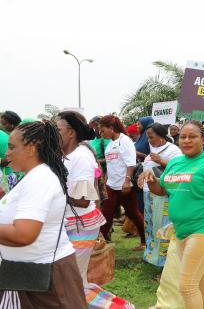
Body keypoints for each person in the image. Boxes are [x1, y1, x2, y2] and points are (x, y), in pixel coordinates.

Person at [140, 121, 204, 309]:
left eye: (192, 136)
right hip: (182, 230)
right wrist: (151, 179)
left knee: (187, 286)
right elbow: (163, 189)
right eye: (183, 137)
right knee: (199, 283)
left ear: (203, 139)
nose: (186, 140)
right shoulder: (176, 162)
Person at [0, 121, 87, 308]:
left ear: (31, 148)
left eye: (12, 147)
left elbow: (24, 234)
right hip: (28, 274)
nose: (7, 153)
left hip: (47, 278)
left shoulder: (40, 180)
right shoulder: (32, 177)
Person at [56, 112, 107, 287]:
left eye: (58, 129)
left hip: (81, 225)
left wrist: (52, 194)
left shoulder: (81, 156)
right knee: (70, 280)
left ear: (71, 133)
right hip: (71, 222)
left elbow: (83, 200)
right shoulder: (65, 155)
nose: (54, 134)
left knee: (73, 280)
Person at [98, 115, 146, 250]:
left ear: (111, 128)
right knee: (106, 213)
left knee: (133, 214)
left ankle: (144, 241)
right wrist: (106, 182)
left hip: (125, 186)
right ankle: (102, 241)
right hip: (111, 185)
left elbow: (131, 163)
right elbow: (110, 165)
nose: (101, 134)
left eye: (103, 130)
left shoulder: (125, 141)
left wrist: (127, 181)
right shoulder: (110, 144)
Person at [141, 123, 182, 267]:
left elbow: (178, 170)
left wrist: (161, 161)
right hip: (148, 192)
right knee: (150, 226)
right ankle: (151, 255)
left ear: (160, 135)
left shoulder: (173, 150)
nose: (149, 140)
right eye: (148, 137)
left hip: (163, 194)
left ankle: (164, 261)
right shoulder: (153, 149)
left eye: (151, 137)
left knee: (163, 227)